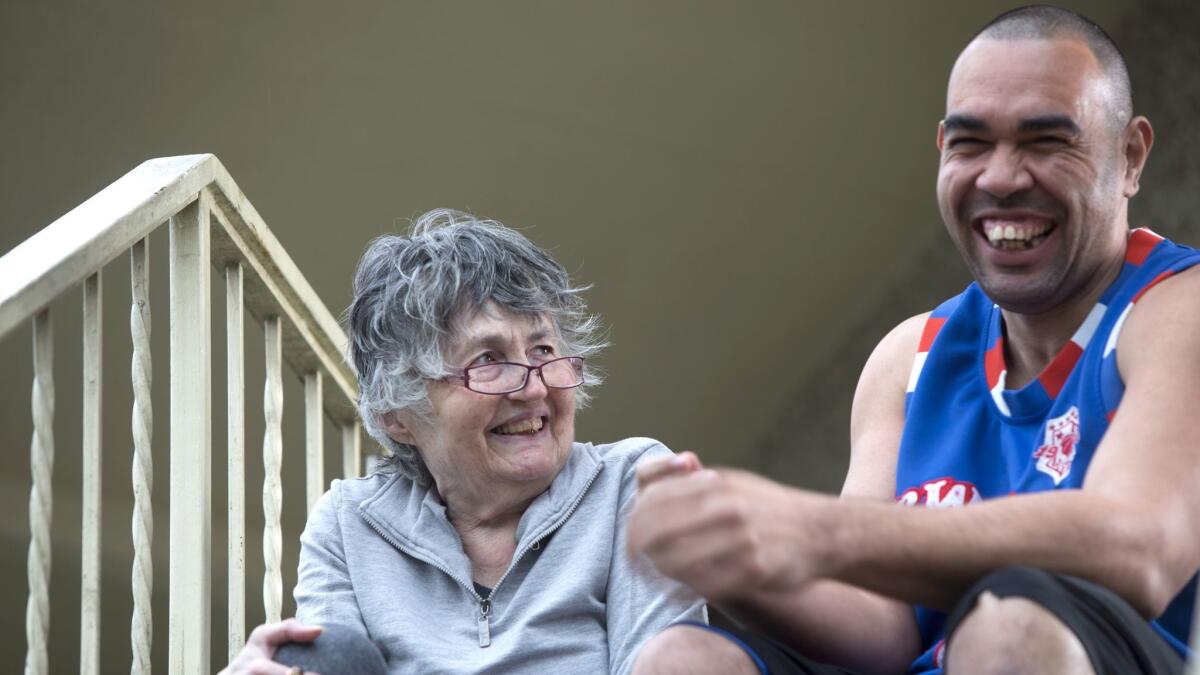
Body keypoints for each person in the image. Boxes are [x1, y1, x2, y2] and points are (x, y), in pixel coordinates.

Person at [627, 6, 1200, 675]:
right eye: (970, 144)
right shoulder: (911, 355)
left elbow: (1143, 545)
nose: (1001, 177)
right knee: (684, 655)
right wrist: (732, 552)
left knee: (1008, 629)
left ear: (1129, 156)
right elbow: (883, 625)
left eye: (1045, 141)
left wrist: (810, 528)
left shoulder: (1174, 307)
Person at [220, 209, 705, 675]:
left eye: (543, 349)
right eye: (487, 360)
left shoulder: (633, 483)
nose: (534, 386)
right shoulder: (349, 525)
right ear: (398, 413)